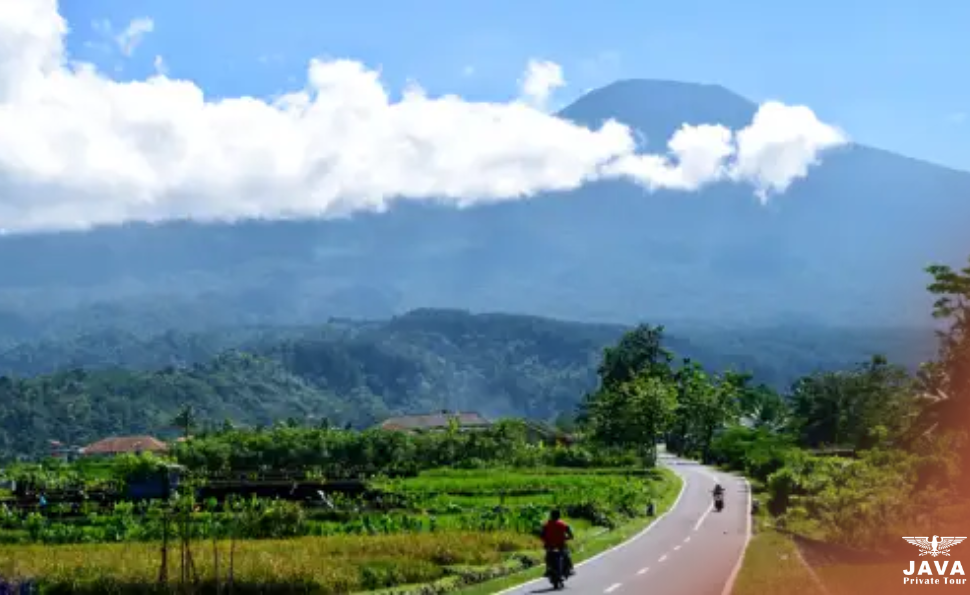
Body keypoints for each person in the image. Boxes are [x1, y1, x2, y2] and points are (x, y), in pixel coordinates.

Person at [540, 509, 575, 577]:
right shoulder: (563, 524)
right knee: (566, 555)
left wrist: (546, 540)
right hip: (560, 544)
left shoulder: (546, 525)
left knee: (548, 557)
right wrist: (568, 538)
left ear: (551, 516)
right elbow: (570, 534)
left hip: (550, 545)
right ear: (559, 516)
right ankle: (570, 568)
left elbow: (542, 535)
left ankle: (548, 570)